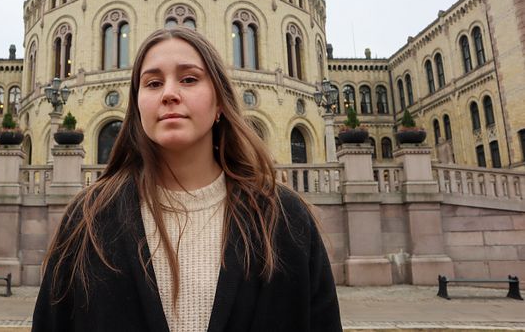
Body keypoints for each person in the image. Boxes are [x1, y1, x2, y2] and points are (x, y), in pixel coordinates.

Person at [32, 27, 342, 332]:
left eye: (189, 79)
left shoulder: (284, 220)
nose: (169, 94)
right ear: (137, 106)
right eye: (153, 83)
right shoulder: (88, 219)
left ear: (220, 102)